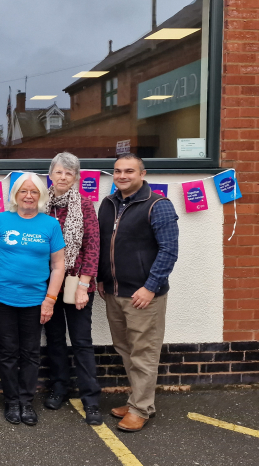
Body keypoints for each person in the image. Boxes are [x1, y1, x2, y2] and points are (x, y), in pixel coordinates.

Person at [97, 153, 179, 433]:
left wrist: (150, 287)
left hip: (144, 295)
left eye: (129, 171)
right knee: (126, 350)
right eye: (118, 171)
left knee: (144, 353)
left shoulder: (158, 205)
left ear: (142, 174)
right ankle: (137, 401)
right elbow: (102, 244)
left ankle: (141, 409)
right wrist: (101, 278)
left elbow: (169, 251)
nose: (122, 176)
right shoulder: (107, 204)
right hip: (113, 292)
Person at [0, 172, 65, 426]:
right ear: (15, 195)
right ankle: (11, 401)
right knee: (8, 352)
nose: (28, 196)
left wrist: (50, 299)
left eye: (34, 192)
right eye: (23, 191)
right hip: (2, 296)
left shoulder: (50, 224)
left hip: (35, 299)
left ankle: (26, 401)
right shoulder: (1, 220)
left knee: (30, 353)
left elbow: (59, 265)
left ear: (40, 196)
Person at [43, 152, 103, 425]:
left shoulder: (85, 206)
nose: (63, 177)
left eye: (69, 173)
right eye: (59, 172)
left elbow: (92, 247)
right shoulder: (40, 203)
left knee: (81, 343)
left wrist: (83, 285)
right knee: (54, 341)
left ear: (76, 178)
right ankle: (59, 388)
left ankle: (91, 400)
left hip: (78, 282)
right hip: (47, 284)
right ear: (51, 175)